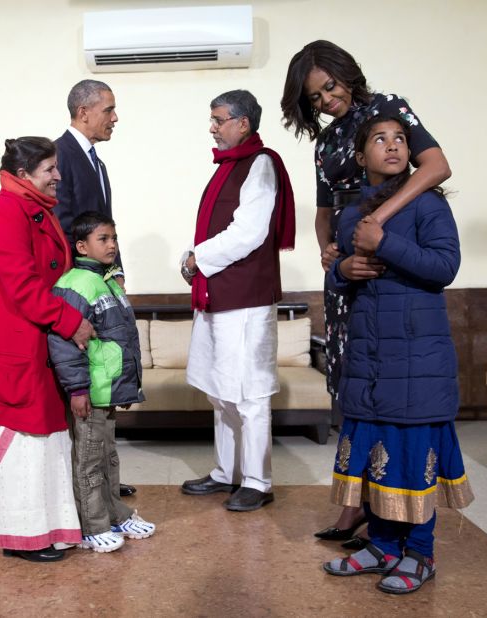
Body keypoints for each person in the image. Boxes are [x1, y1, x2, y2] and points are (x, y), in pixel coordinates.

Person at [279, 39, 452, 545]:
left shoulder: (386, 111)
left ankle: (389, 510)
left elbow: (436, 166)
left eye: (329, 86)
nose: (326, 100)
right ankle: (358, 504)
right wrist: (328, 253)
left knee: (388, 387)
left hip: (386, 251)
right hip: (349, 266)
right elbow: (325, 211)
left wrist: (378, 220)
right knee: (350, 387)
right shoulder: (326, 143)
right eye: (314, 97)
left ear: (347, 74)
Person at [320, 114, 473, 594]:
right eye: (379, 140)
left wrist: (385, 242)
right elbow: (339, 280)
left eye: (401, 139)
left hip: (417, 357)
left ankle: (420, 554)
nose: (392, 146)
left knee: (411, 454)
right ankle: (384, 545)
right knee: (374, 455)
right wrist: (344, 266)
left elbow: (445, 266)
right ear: (361, 156)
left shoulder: (428, 206)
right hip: (368, 356)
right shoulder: (351, 215)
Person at [0, 136, 96, 563]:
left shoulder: (34, 209)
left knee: (47, 442)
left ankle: (50, 529)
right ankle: (24, 536)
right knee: (25, 443)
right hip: (14, 345)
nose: (58, 176)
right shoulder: (4, 214)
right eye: (50, 169)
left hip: (38, 340)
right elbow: (22, 288)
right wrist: (72, 321)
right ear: (23, 175)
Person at [179, 89, 295, 512]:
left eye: (219, 119)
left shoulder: (260, 164)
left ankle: (258, 481)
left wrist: (199, 258)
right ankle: (226, 472)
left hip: (245, 298)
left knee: (249, 393)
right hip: (218, 292)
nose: (212, 126)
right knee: (220, 390)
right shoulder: (228, 165)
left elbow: (250, 232)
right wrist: (193, 258)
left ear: (243, 123)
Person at [47, 211, 157, 552]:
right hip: (90, 392)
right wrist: (77, 389)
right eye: (103, 239)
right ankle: (91, 525)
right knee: (89, 460)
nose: (112, 245)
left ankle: (114, 513)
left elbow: (119, 338)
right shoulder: (75, 284)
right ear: (81, 246)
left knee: (108, 457)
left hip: (108, 391)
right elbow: (63, 344)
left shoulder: (108, 281)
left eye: (114, 238)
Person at [53, 79, 136, 498]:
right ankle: (86, 485)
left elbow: (104, 224)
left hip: (99, 281)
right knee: (83, 386)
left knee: (104, 381)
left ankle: (104, 474)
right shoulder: (60, 156)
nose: (115, 117)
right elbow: (67, 228)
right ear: (84, 112)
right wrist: (86, 285)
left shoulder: (96, 162)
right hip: (77, 289)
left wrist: (115, 271)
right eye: (109, 109)